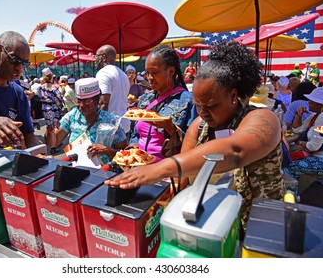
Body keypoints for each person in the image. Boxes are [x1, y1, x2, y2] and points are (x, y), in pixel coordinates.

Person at [106, 41, 284, 231]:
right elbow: (182, 180)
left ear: (233, 96)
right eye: (198, 105)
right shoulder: (200, 126)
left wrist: (159, 169)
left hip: (258, 229)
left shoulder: (263, 118)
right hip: (212, 224)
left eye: (211, 105)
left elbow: (235, 151)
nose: (203, 112)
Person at [128, 44, 197, 162]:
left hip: (166, 173)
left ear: (171, 71)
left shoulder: (188, 101)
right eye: (147, 72)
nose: (149, 77)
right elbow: (136, 135)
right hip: (139, 170)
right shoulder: (145, 99)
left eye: (154, 72)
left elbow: (195, 145)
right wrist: (133, 150)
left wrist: (172, 130)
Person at [44, 77, 128, 164]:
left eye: (87, 101)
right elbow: (53, 143)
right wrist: (49, 131)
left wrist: (107, 150)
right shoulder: (72, 116)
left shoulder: (111, 121)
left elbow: (126, 154)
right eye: (78, 101)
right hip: (77, 170)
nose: (81, 105)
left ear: (97, 100)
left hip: (104, 173)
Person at [284, 87, 323, 181]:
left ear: (320, 104)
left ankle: (292, 194)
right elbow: (297, 130)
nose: (308, 103)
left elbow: (313, 146)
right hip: (319, 158)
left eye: (311, 101)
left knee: (288, 167)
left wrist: (300, 143)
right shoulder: (316, 115)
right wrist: (298, 114)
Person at [95, 44, 130, 134]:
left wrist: (99, 127)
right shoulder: (123, 74)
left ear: (103, 57)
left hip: (111, 128)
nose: (95, 60)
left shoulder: (103, 73)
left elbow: (103, 103)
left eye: (96, 56)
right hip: (124, 124)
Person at [39, 67, 65, 154]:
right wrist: (61, 106)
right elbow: (59, 99)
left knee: (49, 127)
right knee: (55, 128)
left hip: (45, 109)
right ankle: (54, 146)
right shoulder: (54, 88)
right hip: (54, 109)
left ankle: (48, 144)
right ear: (51, 77)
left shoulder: (41, 87)